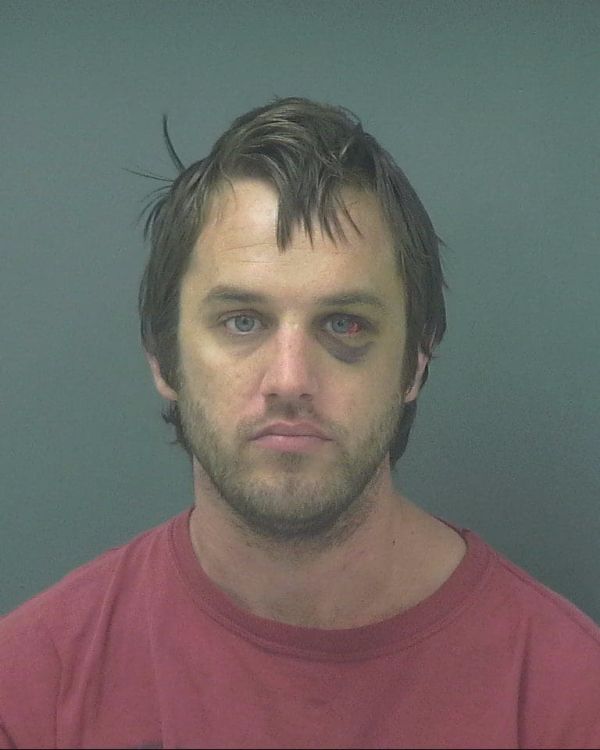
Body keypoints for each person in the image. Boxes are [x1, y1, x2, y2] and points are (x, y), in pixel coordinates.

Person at [1, 96, 599, 750]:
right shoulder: (31, 692)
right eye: (242, 321)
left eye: (345, 324)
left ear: (415, 363)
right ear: (163, 357)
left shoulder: (571, 699)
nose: (289, 379)